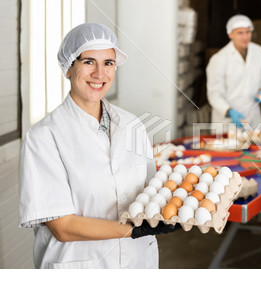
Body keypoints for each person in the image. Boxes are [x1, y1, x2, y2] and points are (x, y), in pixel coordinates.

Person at [19, 23, 178, 269]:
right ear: (68, 67)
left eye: (108, 63)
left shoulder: (133, 125)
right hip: (81, 265)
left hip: (138, 262)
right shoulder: (44, 137)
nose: (100, 74)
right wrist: (132, 231)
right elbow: (63, 227)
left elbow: (150, 190)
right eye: (89, 62)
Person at [206, 14, 261, 128]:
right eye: (240, 33)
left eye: (248, 32)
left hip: (253, 120)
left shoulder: (260, 52)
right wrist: (229, 111)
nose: (245, 37)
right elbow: (214, 94)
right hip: (227, 123)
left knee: (255, 145)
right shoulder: (219, 59)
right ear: (230, 34)